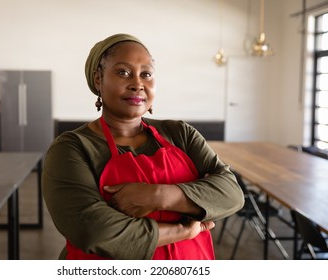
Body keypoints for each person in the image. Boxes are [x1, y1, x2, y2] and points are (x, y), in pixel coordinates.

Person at [42, 33, 244, 260]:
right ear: (98, 79)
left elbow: (231, 193)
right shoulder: (71, 149)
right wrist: (184, 230)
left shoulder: (180, 134)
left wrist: (157, 196)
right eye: (123, 72)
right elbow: (94, 230)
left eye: (146, 74)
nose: (137, 84)